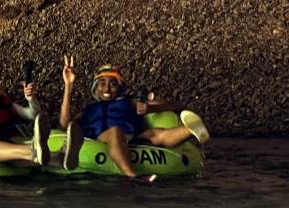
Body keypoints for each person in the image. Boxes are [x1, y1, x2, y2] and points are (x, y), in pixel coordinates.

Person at [58, 55, 211, 180]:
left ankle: (192, 130)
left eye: (113, 84)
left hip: (133, 138)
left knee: (154, 134)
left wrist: (151, 108)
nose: (107, 88)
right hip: (102, 138)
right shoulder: (89, 109)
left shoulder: (131, 102)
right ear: (96, 88)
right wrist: (69, 86)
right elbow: (65, 125)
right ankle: (132, 175)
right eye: (102, 83)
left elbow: (177, 106)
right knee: (115, 132)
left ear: (120, 87)